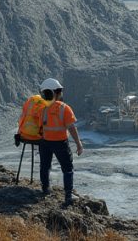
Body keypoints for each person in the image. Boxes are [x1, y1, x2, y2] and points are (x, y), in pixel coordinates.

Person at [37, 77, 84, 207]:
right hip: (60, 143)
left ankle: (45, 189)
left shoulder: (42, 109)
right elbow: (72, 128)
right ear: (55, 92)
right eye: (59, 91)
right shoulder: (65, 108)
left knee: (44, 166)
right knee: (67, 169)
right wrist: (79, 144)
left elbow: (40, 126)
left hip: (45, 142)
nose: (61, 93)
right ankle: (68, 196)